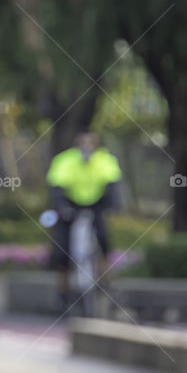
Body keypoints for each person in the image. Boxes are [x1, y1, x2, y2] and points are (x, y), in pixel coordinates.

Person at [46, 129, 122, 311]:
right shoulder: (65, 160)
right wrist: (62, 207)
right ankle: (63, 292)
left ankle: (105, 280)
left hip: (96, 206)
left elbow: (114, 186)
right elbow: (56, 187)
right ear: (77, 145)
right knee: (62, 249)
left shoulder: (105, 160)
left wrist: (113, 207)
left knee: (104, 239)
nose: (87, 148)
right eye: (83, 144)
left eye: (91, 144)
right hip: (70, 205)